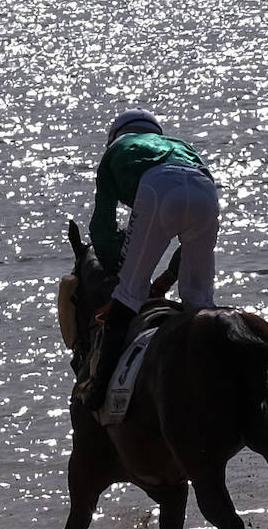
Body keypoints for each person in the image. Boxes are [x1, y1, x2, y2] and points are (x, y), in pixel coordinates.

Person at [83, 109, 220, 410]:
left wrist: (118, 271)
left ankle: (97, 391)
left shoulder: (114, 153)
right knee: (200, 301)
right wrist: (168, 277)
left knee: (128, 295)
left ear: (115, 137)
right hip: (204, 188)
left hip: (158, 188)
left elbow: (101, 227)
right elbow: (199, 234)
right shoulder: (183, 146)